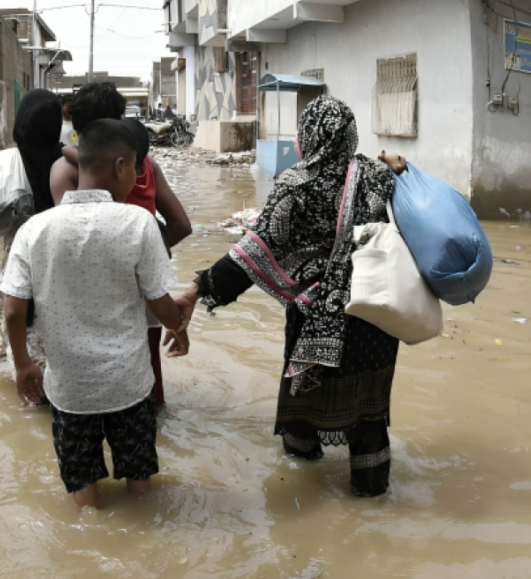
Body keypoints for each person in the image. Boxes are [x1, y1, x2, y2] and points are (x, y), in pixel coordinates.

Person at [174, 96, 407, 498]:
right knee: (368, 415)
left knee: (302, 411)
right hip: (374, 316)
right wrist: (398, 168)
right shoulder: (376, 174)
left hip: (314, 318)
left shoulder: (295, 183)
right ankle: (372, 502)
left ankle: (301, 490)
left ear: (308, 135)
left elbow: (254, 251)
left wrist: (197, 290)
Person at [0, 119, 190, 509]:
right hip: (129, 384)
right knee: (141, 485)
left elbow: (14, 312)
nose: (137, 176)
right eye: (135, 167)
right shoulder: (138, 224)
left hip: (70, 389)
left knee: (83, 494)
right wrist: (178, 325)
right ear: (120, 166)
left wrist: (22, 365)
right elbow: (159, 302)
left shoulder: (34, 229)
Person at [51, 83, 193, 405]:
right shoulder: (145, 165)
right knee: (148, 362)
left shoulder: (65, 169)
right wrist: (152, 250)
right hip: (148, 282)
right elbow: (182, 226)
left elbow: (68, 239)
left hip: (96, 284)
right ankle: (153, 422)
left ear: (80, 131)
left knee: (91, 362)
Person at [0, 89, 67, 368]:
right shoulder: (66, 159)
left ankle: (24, 371)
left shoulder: (9, 161)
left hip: (19, 249)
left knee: (18, 308)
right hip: (58, 248)